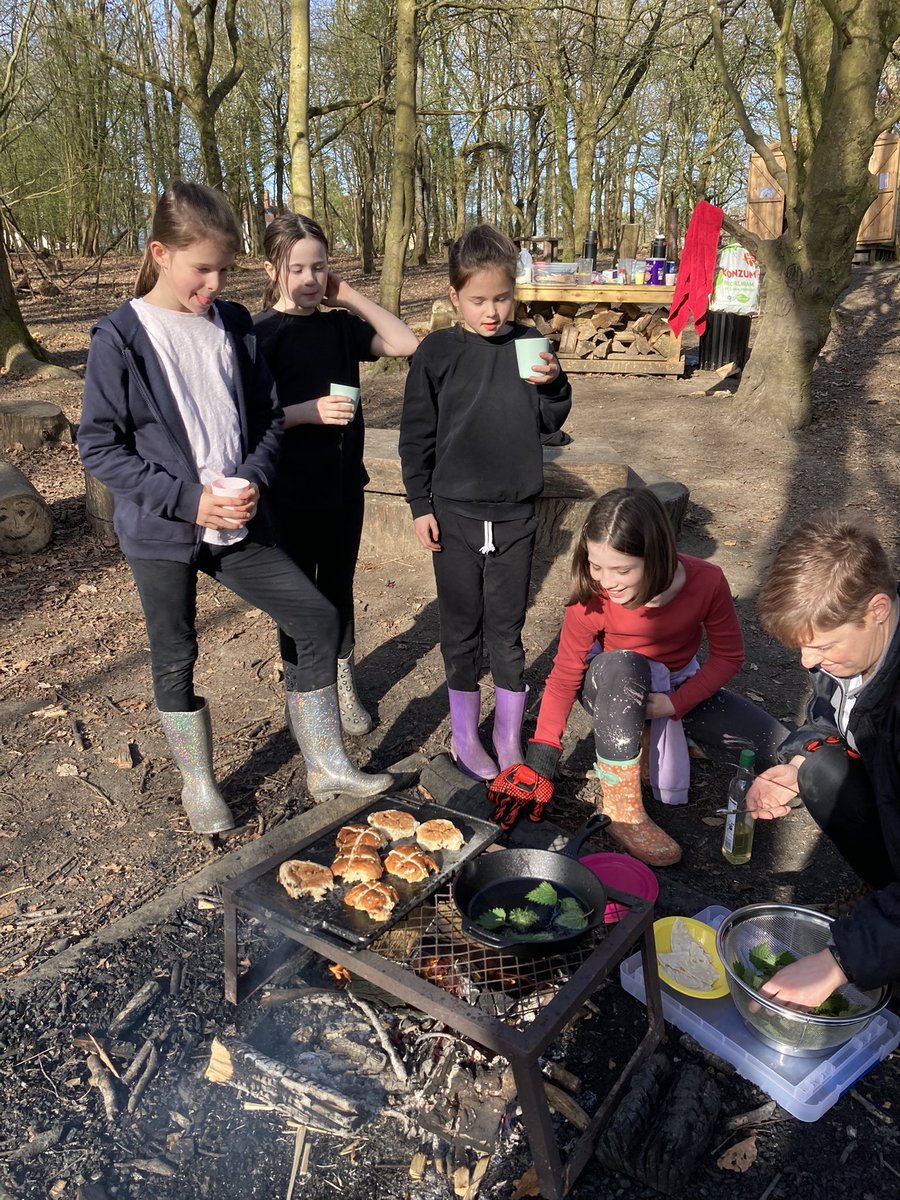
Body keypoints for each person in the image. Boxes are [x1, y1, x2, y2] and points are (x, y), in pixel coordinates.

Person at [78, 182, 391, 836]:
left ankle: (327, 763)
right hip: (163, 531)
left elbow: (267, 423)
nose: (214, 283)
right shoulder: (122, 337)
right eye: (202, 268)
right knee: (175, 652)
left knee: (314, 615)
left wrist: (249, 479)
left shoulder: (235, 325)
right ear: (160, 253)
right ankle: (198, 783)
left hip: (240, 523)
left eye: (223, 269)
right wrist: (191, 501)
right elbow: (99, 447)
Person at [488, 487, 785, 866]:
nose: (607, 581)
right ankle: (623, 811)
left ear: (656, 556)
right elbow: (565, 674)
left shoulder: (707, 581)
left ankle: (651, 739)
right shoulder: (592, 595)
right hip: (613, 687)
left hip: (674, 689)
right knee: (627, 664)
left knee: (780, 747)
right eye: (597, 566)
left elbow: (729, 656)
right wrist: (541, 757)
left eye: (622, 570)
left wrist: (675, 704)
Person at [399, 224, 572, 780]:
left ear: (514, 293)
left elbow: (551, 421)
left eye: (501, 298)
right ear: (454, 297)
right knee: (460, 628)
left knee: (507, 628)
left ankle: (507, 735)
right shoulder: (438, 352)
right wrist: (419, 503)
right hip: (453, 513)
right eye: (477, 300)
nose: (491, 311)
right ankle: (466, 735)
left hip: (516, 514)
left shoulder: (528, 345)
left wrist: (554, 383)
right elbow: (416, 434)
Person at [254, 215, 419, 735]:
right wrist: (306, 412)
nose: (308, 279)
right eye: (296, 267)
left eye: (319, 267)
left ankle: (342, 681)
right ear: (271, 269)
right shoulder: (259, 336)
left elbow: (405, 343)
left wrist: (348, 295)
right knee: (296, 595)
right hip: (285, 491)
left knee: (339, 587)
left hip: (344, 485)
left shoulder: (339, 327)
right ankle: (300, 687)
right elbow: (245, 420)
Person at [747, 512, 900, 1006]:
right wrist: (795, 767)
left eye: (823, 646)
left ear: (877, 608)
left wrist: (840, 961)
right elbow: (825, 720)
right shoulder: (847, 655)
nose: (808, 663)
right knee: (818, 768)